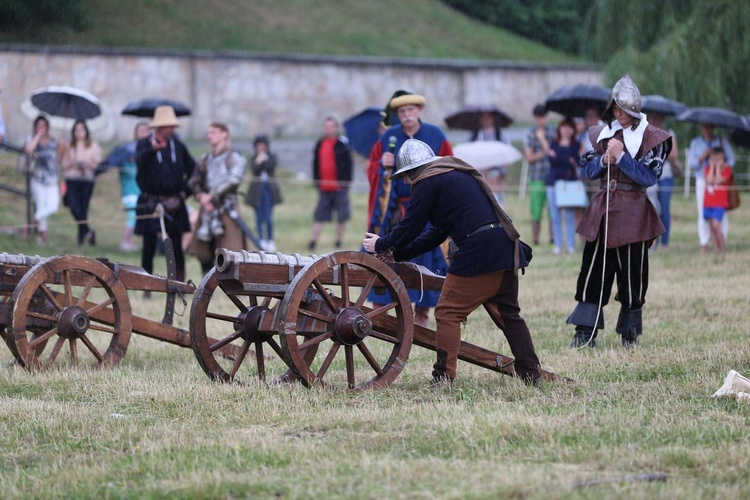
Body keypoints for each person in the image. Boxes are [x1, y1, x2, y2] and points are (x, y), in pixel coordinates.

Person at [362, 139, 540, 386]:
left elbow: (410, 227)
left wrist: (381, 244)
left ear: (413, 171)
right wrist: (397, 254)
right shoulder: (451, 174)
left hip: (480, 251)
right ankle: (532, 374)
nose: (405, 182)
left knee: (447, 312)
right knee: (509, 315)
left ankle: (443, 377)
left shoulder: (426, 181)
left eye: (405, 176)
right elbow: (436, 233)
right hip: (503, 245)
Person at [567, 75, 672, 349]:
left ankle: (630, 335)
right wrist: (605, 158)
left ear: (633, 110)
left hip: (634, 213)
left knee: (632, 276)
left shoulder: (652, 137)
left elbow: (649, 177)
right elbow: (588, 171)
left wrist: (623, 157)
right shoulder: (602, 134)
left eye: (622, 109)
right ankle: (584, 333)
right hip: (603, 210)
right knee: (592, 273)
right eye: (614, 109)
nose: (618, 114)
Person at [367, 90, 453, 327]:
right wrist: (380, 165)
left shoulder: (435, 135)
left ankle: (424, 314)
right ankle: (385, 315)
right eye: (402, 112)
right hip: (394, 211)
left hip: (427, 209)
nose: (407, 115)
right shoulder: (389, 137)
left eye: (411, 110)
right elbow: (374, 171)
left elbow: (448, 164)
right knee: (386, 256)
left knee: (428, 259)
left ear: (419, 111)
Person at [135, 105, 196, 283]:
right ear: (160, 127)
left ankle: (179, 285)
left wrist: (183, 195)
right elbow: (139, 162)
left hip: (175, 203)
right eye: (169, 126)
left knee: (176, 246)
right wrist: (152, 151)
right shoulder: (144, 145)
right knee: (148, 247)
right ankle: (146, 285)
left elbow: (194, 172)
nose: (172, 130)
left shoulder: (178, 146)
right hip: (150, 201)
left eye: (173, 126)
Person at [187, 122, 248, 274]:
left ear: (224, 134)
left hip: (227, 208)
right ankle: (207, 283)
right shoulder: (205, 159)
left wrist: (212, 196)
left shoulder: (235, 157)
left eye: (213, 132)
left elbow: (234, 180)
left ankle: (231, 285)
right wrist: (201, 197)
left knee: (232, 252)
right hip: (207, 209)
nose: (209, 136)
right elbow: (194, 181)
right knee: (203, 251)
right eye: (208, 133)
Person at [688, 122, 734, 254]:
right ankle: (704, 242)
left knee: (721, 213)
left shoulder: (721, 141)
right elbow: (692, 164)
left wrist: (720, 164)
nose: (707, 129)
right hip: (703, 179)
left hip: (720, 182)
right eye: (705, 126)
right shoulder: (696, 143)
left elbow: (731, 160)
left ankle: (721, 241)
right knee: (703, 212)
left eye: (710, 126)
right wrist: (704, 156)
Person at [104, 120, 149, 251]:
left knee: (143, 217)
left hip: (142, 192)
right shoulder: (127, 151)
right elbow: (114, 162)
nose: (144, 134)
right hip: (130, 192)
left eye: (146, 131)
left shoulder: (148, 152)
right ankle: (125, 241)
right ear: (136, 133)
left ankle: (140, 242)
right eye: (141, 131)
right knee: (133, 216)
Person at [308, 116, 352, 251]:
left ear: (336, 128)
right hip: (324, 187)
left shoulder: (342, 145)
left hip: (339, 187)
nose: (328, 129)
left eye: (330, 126)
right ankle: (313, 241)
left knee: (341, 215)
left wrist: (344, 183)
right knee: (319, 215)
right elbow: (315, 164)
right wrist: (317, 181)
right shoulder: (319, 144)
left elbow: (349, 165)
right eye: (325, 127)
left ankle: (338, 241)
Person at [59, 120, 102, 246]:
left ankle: (81, 237)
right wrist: (72, 162)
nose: (79, 132)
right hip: (72, 179)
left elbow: (98, 163)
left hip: (87, 180)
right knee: (73, 206)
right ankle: (88, 232)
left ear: (86, 131)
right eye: (77, 129)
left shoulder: (93, 145)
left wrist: (86, 164)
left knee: (83, 208)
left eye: (82, 129)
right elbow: (62, 164)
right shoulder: (68, 145)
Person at [645, 112, 681, 250]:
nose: (655, 120)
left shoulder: (668, 133)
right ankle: (652, 241)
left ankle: (664, 243)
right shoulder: (645, 134)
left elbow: (673, 155)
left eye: (657, 117)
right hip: (650, 175)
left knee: (664, 209)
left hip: (665, 176)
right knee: (652, 209)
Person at [22, 115, 60, 244]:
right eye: (39, 125)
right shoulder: (31, 139)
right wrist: (38, 135)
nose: (41, 128)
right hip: (37, 178)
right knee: (41, 206)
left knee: (52, 207)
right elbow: (28, 150)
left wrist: (63, 148)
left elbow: (58, 160)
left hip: (52, 180)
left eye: (43, 125)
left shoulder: (54, 142)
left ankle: (29, 224)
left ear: (48, 127)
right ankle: (42, 239)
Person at [545, 118, 580, 255]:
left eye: (569, 127)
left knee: (570, 216)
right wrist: (566, 158)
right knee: (555, 216)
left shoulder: (576, 145)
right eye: (563, 127)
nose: (566, 130)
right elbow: (552, 160)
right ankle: (558, 245)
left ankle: (571, 245)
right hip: (553, 184)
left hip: (569, 184)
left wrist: (560, 157)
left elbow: (575, 162)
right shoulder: (554, 143)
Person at [523, 104, 555, 246]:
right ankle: (535, 239)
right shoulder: (530, 133)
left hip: (551, 177)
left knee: (552, 211)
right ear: (535, 118)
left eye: (543, 117)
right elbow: (529, 157)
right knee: (535, 211)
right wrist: (544, 153)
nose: (541, 120)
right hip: (536, 178)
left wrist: (542, 140)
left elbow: (555, 153)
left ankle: (553, 238)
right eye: (538, 117)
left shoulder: (553, 132)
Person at [244, 134, 282, 252]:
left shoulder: (271, 156)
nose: (261, 147)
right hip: (257, 191)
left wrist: (262, 160)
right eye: (258, 145)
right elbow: (254, 167)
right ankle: (261, 240)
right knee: (259, 217)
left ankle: (270, 239)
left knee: (269, 217)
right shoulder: (253, 157)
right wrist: (259, 160)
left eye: (263, 145)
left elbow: (271, 165)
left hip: (269, 191)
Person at [471, 111, 509, 206]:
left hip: (496, 178)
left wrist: (502, 177)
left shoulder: (500, 136)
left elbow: (505, 158)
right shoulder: (476, 136)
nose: (487, 119)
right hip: (480, 177)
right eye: (484, 116)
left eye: (489, 116)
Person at [703, 147, 731, 262]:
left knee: (716, 225)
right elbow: (709, 180)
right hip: (708, 202)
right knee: (711, 227)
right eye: (713, 159)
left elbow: (719, 180)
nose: (715, 161)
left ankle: (723, 248)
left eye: (718, 159)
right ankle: (716, 250)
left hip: (719, 203)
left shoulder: (727, 169)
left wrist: (718, 168)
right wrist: (713, 167)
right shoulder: (707, 169)